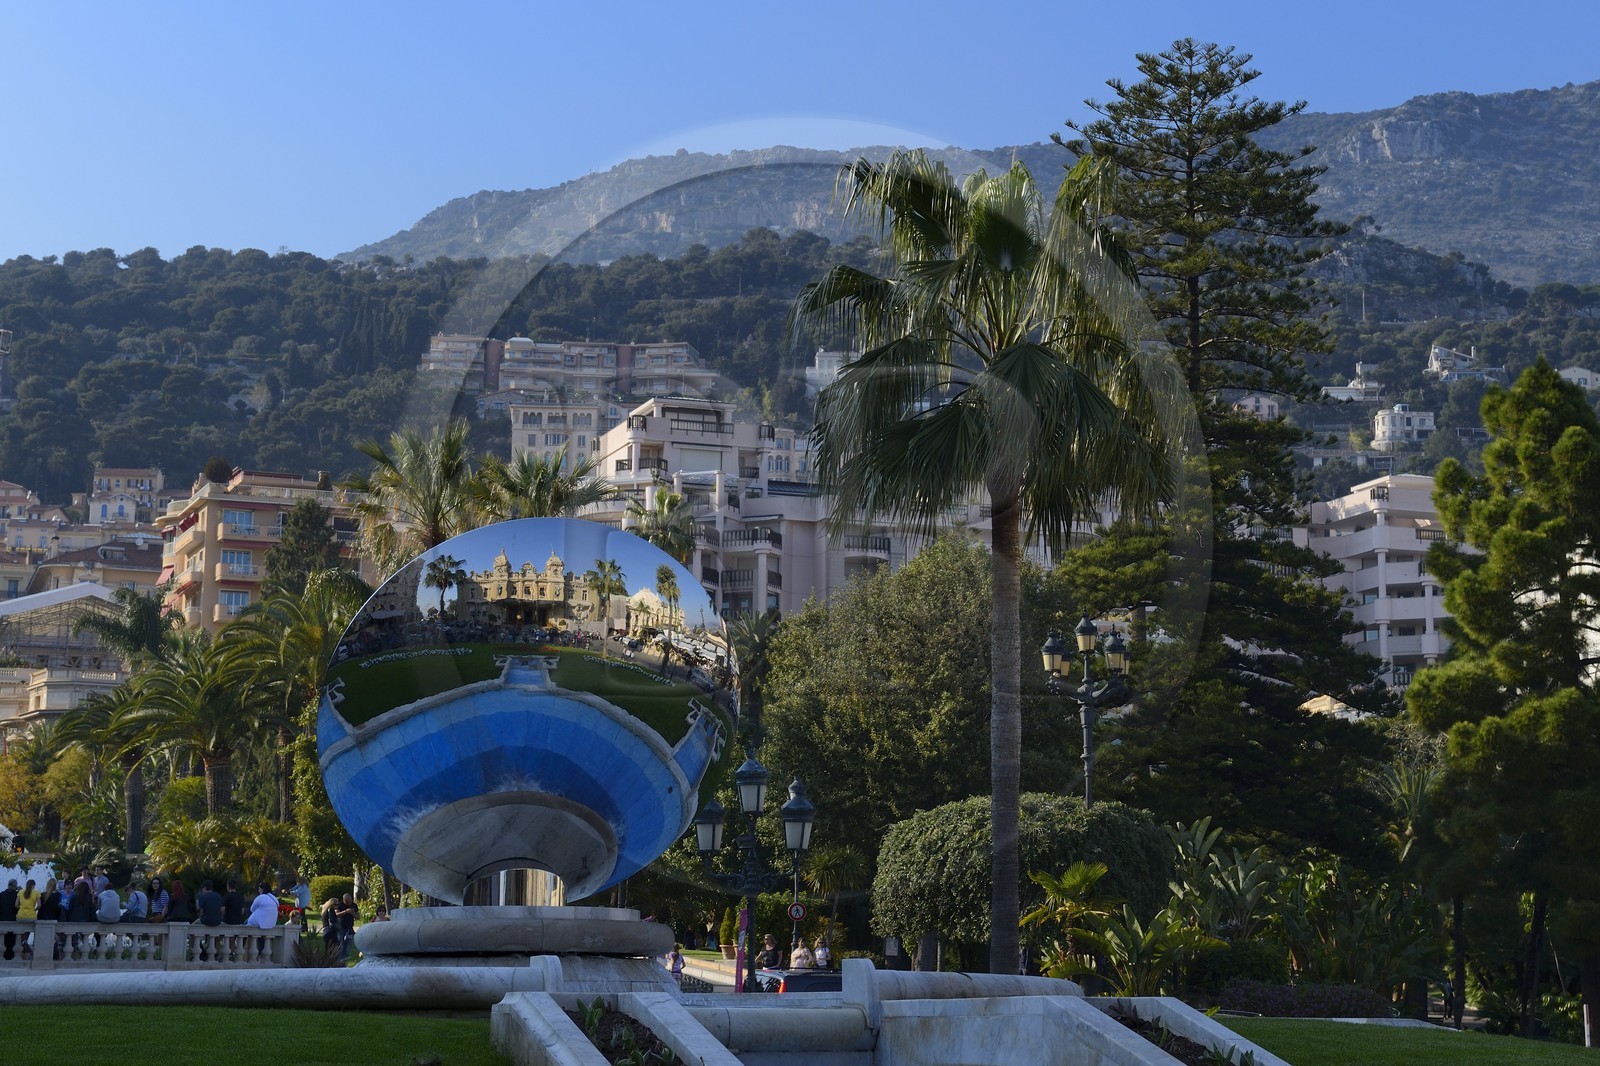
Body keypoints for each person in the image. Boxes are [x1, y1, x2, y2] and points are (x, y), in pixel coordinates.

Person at [333, 893, 358, 959]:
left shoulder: (354, 905)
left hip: (349, 928)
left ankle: (344, 962)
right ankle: (338, 961)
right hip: (341, 928)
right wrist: (345, 912)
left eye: (350, 901)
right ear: (344, 900)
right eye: (347, 902)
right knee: (340, 946)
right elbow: (336, 914)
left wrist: (352, 913)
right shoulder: (340, 905)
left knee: (347, 947)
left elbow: (358, 917)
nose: (349, 903)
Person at [0, 879, 18, 960]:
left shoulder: (2, 895)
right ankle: (10, 957)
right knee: (11, 942)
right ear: (15, 886)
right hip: (13, 921)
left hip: (2, 920)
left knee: (2, 941)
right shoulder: (17, 895)